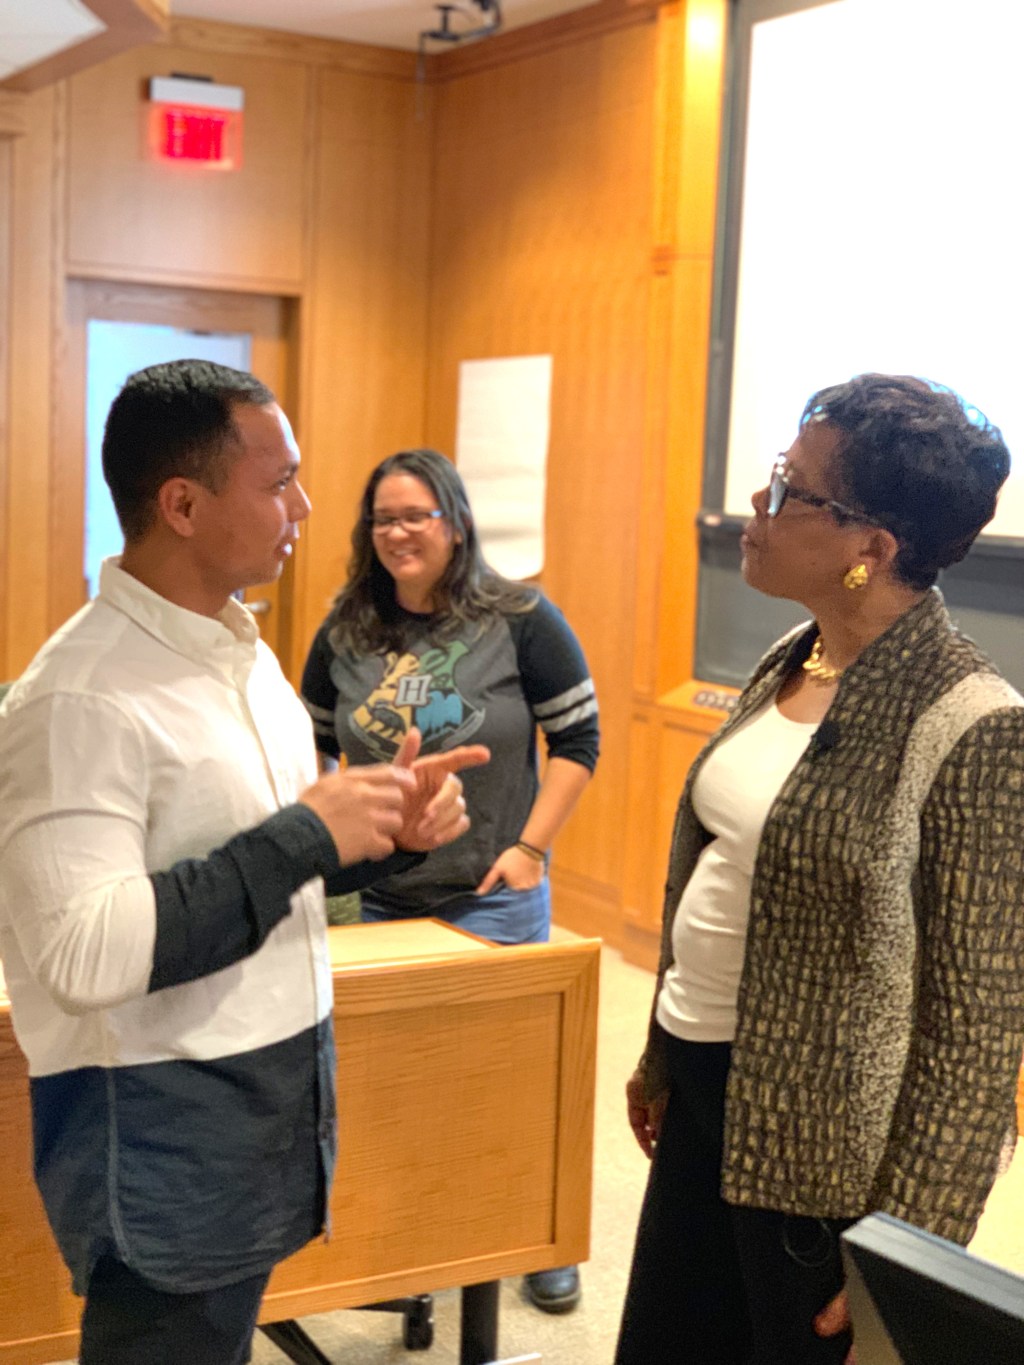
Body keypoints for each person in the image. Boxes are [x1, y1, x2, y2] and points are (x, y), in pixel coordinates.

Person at [0, 360, 489, 1365]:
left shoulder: (240, 650)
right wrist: (311, 831)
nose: (306, 507)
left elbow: (255, 868)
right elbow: (85, 955)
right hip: (160, 1126)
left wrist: (369, 835)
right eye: (278, 484)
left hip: (264, 1101)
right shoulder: (75, 700)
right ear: (181, 503)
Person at [615, 374, 1024, 1365]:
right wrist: (664, 1055)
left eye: (789, 489)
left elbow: (976, 1029)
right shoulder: (790, 659)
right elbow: (721, 877)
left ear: (868, 550)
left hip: (822, 1161)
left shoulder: (973, 724)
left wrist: (907, 1245)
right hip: (706, 1095)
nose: (755, 506)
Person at [300, 446, 599, 1312]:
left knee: (508, 1081)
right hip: (377, 897)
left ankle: (540, 1238)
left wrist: (531, 850)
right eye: (382, 518)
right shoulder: (345, 628)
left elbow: (578, 742)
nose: (396, 532)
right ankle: (406, 1236)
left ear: (455, 522)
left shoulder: (521, 617)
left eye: (415, 515)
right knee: (392, 1082)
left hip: (492, 893)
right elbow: (311, 740)